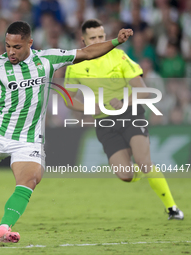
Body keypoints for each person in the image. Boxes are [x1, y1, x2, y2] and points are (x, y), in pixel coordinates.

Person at [0, 21, 133, 243]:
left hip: (28, 139)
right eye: (7, 46)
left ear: (29, 43)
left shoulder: (47, 59)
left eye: (17, 47)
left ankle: (2, 230)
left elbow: (87, 52)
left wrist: (115, 41)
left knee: (31, 179)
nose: (11, 52)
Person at [64, 19, 183, 220]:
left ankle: (172, 208)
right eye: (93, 38)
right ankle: (142, 170)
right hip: (104, 122)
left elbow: (143, 91)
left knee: (145, 162)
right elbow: (68, 99)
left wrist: (123, 101)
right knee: (126, 175)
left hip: (130, 114)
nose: (98, 41)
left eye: (101, 36)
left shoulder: (118, 56)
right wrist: (87, 108)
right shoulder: (75, 66)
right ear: (83, 40)